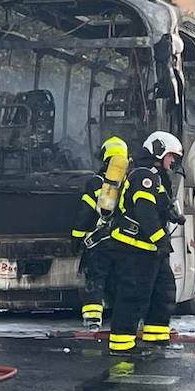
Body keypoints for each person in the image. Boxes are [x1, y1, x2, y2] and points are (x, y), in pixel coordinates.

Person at [107, 131, 183, 356]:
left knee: (163, 291)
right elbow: (144, 211)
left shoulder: (156, 176)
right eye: (170, 156)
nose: (172, 162)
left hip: (149, 250)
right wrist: (161, 239)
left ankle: (156, 337)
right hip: (133, 248)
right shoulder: (143, 176)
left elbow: (159, 204)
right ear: (158, 151)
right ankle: (121, 346)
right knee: (133, 296)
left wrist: (172, 215)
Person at [72, 136, 128, 328]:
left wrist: (76, 238)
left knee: (95, 279)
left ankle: (93, 319)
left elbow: (85, 213)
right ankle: (123, 319)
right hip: (124, 242)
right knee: (121, 279)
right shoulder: (130, 182)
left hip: (98, 243)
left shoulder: (96, 183)